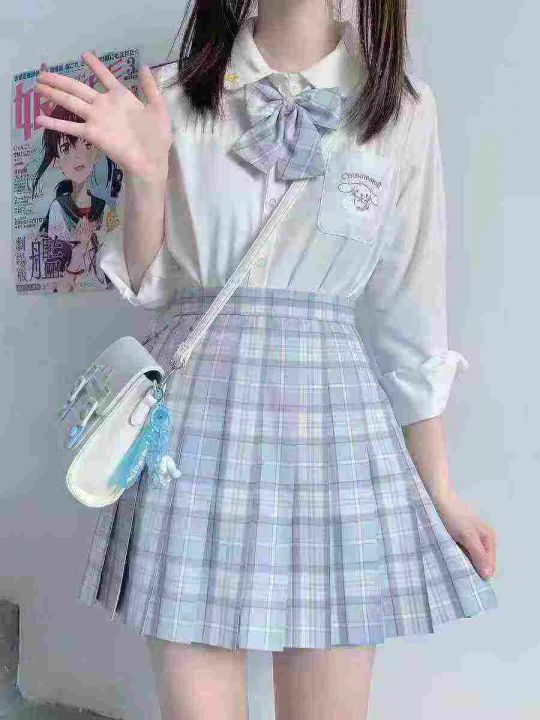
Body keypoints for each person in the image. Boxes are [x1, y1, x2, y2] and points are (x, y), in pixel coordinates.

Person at [36, 1, 499, 718]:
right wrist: (147, 173)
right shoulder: (172, 93)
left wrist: (439, 490)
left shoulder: (402, 110)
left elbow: (411, 316)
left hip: (335, 435)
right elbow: (153, 286)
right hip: (196, 434)